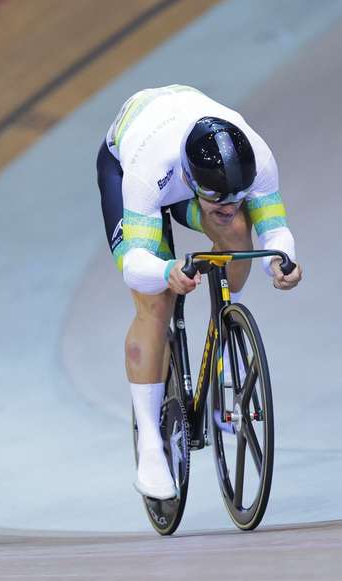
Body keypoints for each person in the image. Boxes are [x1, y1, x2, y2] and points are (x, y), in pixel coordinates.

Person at [96, 85, 303, 500]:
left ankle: (222, 339)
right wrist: (167, 270)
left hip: (187, 175)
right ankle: (151, 445)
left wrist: (280, 261)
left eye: (236, 196)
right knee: (155, 303)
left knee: (238, 229)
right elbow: (135, 268)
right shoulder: (149, 168)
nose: (228, 204)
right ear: (193, 179)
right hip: (134, 171)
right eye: (218, 198)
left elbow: (275, 230)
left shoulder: (258, 158)